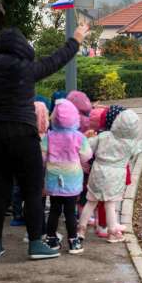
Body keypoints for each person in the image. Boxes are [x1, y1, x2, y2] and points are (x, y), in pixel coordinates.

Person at [0, 24, 88, 259]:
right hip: (23, 135)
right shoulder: (26, 68)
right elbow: (56, 60)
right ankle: (35, 244)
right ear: (22, 46)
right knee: (32, 190)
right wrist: (76, 40)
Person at [77, 109, 142, 245]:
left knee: (91, 201)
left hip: (98, 171)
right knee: (110, 205)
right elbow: (140, 146)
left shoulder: (104, 135)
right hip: (115, 176)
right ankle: (113, 233)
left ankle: (81, 230)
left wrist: (87, 138)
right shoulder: (129, 144)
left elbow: (89, 147)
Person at [42, 100, 93, 255]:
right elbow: (86, 156)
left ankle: (51, 239)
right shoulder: (79, 137)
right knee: (70, 212)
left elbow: (42, 156)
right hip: (72, 178)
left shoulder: (49, 137)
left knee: (54, 210)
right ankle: (73, 241)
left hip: (54, 178)